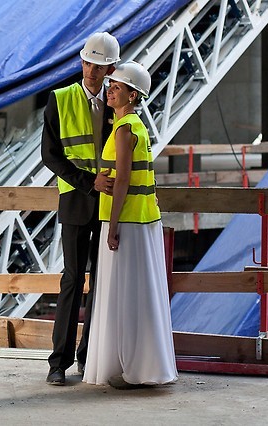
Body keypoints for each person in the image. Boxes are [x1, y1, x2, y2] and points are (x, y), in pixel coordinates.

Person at [82, 61, 178, 389]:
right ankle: (139, 365)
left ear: (132, 95)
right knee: (139, 294)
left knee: (123, 296)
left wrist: (112, 227)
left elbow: (122, 179)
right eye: (111, 86)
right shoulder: (136, 126)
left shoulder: (124, 130)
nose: (110, 90)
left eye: (117, 88)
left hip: (126, 221)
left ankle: (130, 367)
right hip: (142, 220)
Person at [41, 32, 119, 386]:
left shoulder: (120, 103)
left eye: (98, 66)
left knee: (102, 283)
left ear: (110, 69)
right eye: (87, 63)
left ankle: (90, 356)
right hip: (75, 200)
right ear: (81, 61)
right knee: (72, 280)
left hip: (109, 207)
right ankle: (58, 363)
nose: (91, 70)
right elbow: (50, 155)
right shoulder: (59, 100)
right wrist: (89, 182)